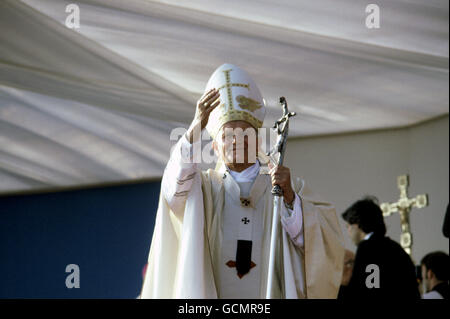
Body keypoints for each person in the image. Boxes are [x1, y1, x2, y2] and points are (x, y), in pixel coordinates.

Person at [140, 63, 345, 298]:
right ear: (215, 147)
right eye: (228, 135)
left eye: (245, 132)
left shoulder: (285, 187)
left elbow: (317, 244)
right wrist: (196, 127)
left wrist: (290, 200)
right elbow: (173, 191)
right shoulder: (202, 188)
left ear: (258, 141)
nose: (238, 140)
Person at [339, 196, 420, 300]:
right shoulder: (394, 247)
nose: (348, 232)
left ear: (357, 224)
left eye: (348, 226)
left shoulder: (368, 248)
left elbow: (370, 288)